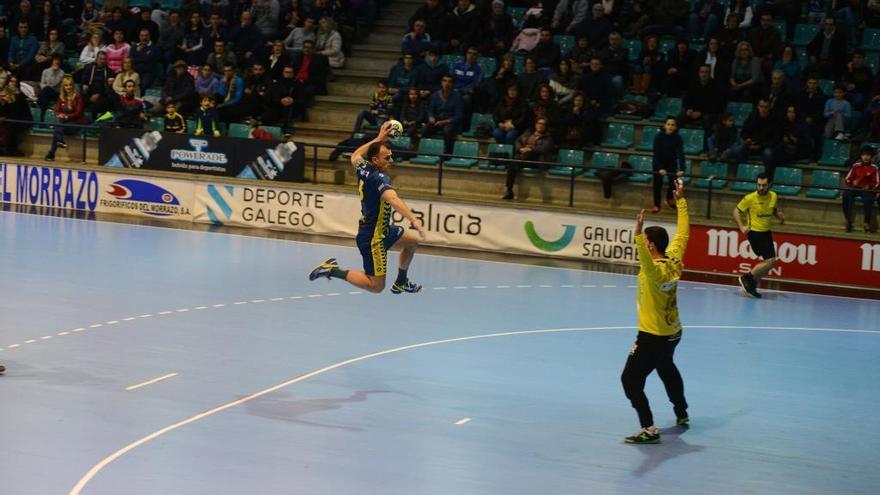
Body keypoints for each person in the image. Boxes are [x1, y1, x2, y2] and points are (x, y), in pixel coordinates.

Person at [309, 121, 427, 294]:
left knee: (412, 242)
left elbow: (355, 155)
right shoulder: (379, 178)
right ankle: (332, 270)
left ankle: (401, 281)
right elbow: (393, 199)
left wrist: (379, 138)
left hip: (382, 229)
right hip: (373, 238)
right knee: (376, 286)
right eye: (387, 158)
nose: (391, 160)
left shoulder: (364, 168)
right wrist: (413, 219)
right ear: (375, 160)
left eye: (391, 156)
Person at [622, 178, 690, 444]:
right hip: (673, 331)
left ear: (650, 244)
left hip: (652, 336)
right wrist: (681, 201)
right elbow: (683, 232)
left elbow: (643, 255)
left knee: (629, 380)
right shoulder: (674, 260)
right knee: (666, 366)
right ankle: (681, 410)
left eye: (645, 241)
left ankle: (649, 428)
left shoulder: (652, 271)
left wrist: (638, 232)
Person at [733, 173, 785, 298]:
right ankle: (747, 277)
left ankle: (751, 284)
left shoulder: (773, 196)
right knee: (770, 261)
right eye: (759, 185)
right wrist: (741, 227)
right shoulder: (750, 198)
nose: (761, 188)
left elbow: (773, 210)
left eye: (764, 185)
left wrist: (780, 217)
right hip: (755, 232)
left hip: (766, 232)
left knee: (771, 264)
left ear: (769, 185)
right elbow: (736, 211)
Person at [504, 117, 554, 200]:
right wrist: (520, 149)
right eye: (539, 123)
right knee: (512, 165)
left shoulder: (548, 137)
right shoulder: (528, 133)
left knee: (524, 155)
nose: (540, 126)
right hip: (524, 157)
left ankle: (546, 196)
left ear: (545, 127)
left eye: (543, 124)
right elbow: (518, 141)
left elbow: (544, 149)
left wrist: (531, 149)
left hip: (537, 160)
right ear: (535, 124)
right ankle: (509, 190)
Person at [45, 75, 86, 161]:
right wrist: (59, 115)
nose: (68, 87)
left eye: (70, 85)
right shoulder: (61, 97)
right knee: (59, 127)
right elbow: (56, 111)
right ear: (63, 86)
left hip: (76, 123)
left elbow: (78, 112)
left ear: (73, 85)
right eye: (66, 85)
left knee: (57, 128)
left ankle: (52, 152)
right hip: (64, 124)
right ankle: (59, 142)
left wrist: (66, 116)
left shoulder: (78, 97)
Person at [652, 116, 685, 213]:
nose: (670, 127)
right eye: (668, 124)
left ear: (676, 127)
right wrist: (660, 168)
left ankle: (669, 198)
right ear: (665, 125)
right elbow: (656, 153)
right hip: (658, 163)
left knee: (674, 182)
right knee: (657, 185)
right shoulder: (658, 137)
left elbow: (680, 154)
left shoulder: (678, 138)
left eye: (673, 125)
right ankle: (656, 205)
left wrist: (682, 168)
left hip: (671, 163)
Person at [842, 146, 879, 233]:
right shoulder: (855, 166)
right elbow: (847, 178)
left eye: (868, 155)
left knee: (868, 200)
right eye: (864, 155)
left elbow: (876, 182)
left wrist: (869, 186)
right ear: (861, 156)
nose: (865, 157)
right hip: (855, 188)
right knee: (846, 196)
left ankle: (866, 222)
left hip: (866, 190)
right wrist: (852, 183)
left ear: (871, 156)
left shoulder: (874, 167)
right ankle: (848, 221)